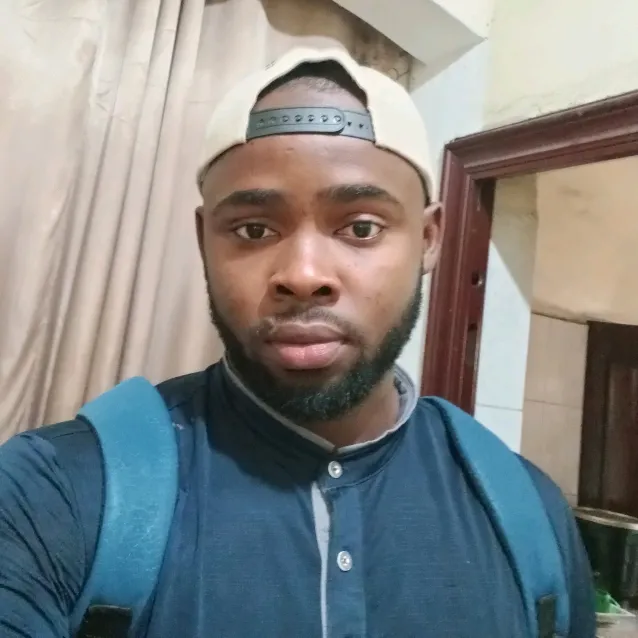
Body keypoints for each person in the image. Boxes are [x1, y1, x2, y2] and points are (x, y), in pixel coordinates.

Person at [0, 46, 595, 637]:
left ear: (429, 239)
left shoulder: (530, 514)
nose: (304, 275)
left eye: (361, 227)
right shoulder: (53, 491)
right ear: (205, 240)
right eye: (254, 229)